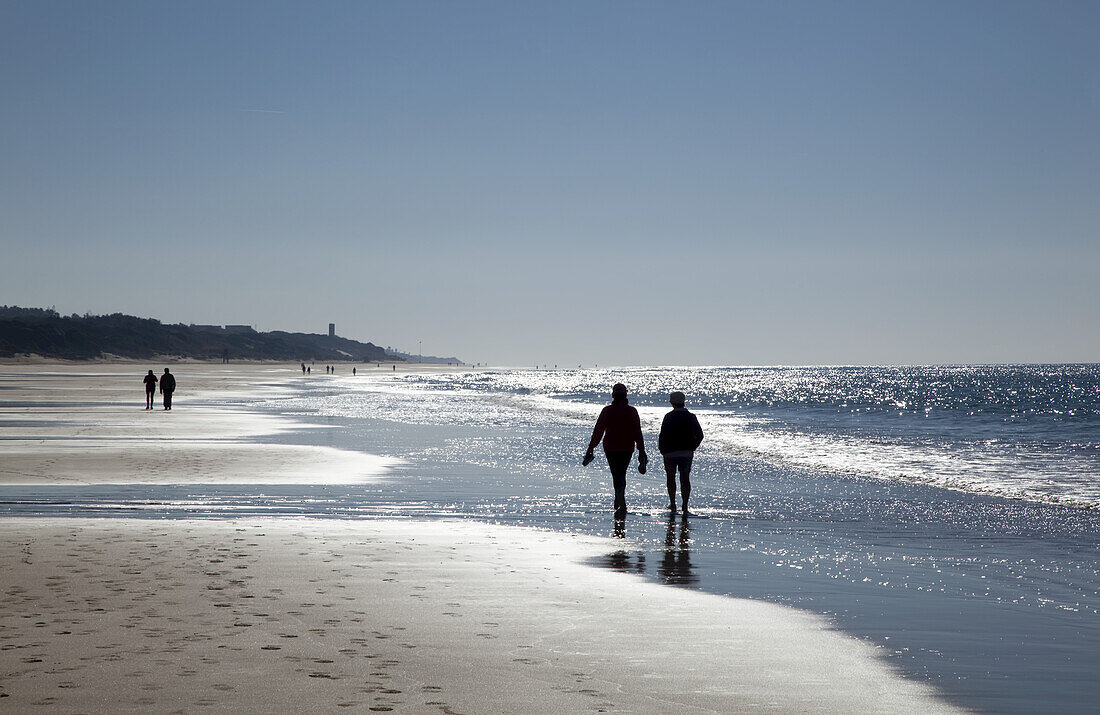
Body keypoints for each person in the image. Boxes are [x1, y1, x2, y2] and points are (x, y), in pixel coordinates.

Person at [584, 383, 647, 516]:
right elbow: (637, 433)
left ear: (613, 395)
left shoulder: (607, 410)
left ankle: (620, 500)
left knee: (616, 474)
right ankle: (619, 499)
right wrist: (641, 450)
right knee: (621, 473)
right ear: (626, 394)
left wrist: (591, 448)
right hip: (626, 447)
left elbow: (598, 431)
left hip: (611, 447)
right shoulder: (631, 411)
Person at [658, 391, 704, 513]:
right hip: (686, 453)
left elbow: (662, 435)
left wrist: (662, 449)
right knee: (685, 478)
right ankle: (684, 505)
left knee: (670, 478)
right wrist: (693, 447)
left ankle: (673, 503)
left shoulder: (668, 416)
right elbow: (700, 435)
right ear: (683, 402)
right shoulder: (691, 416)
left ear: (672, 402)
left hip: (669, 452)